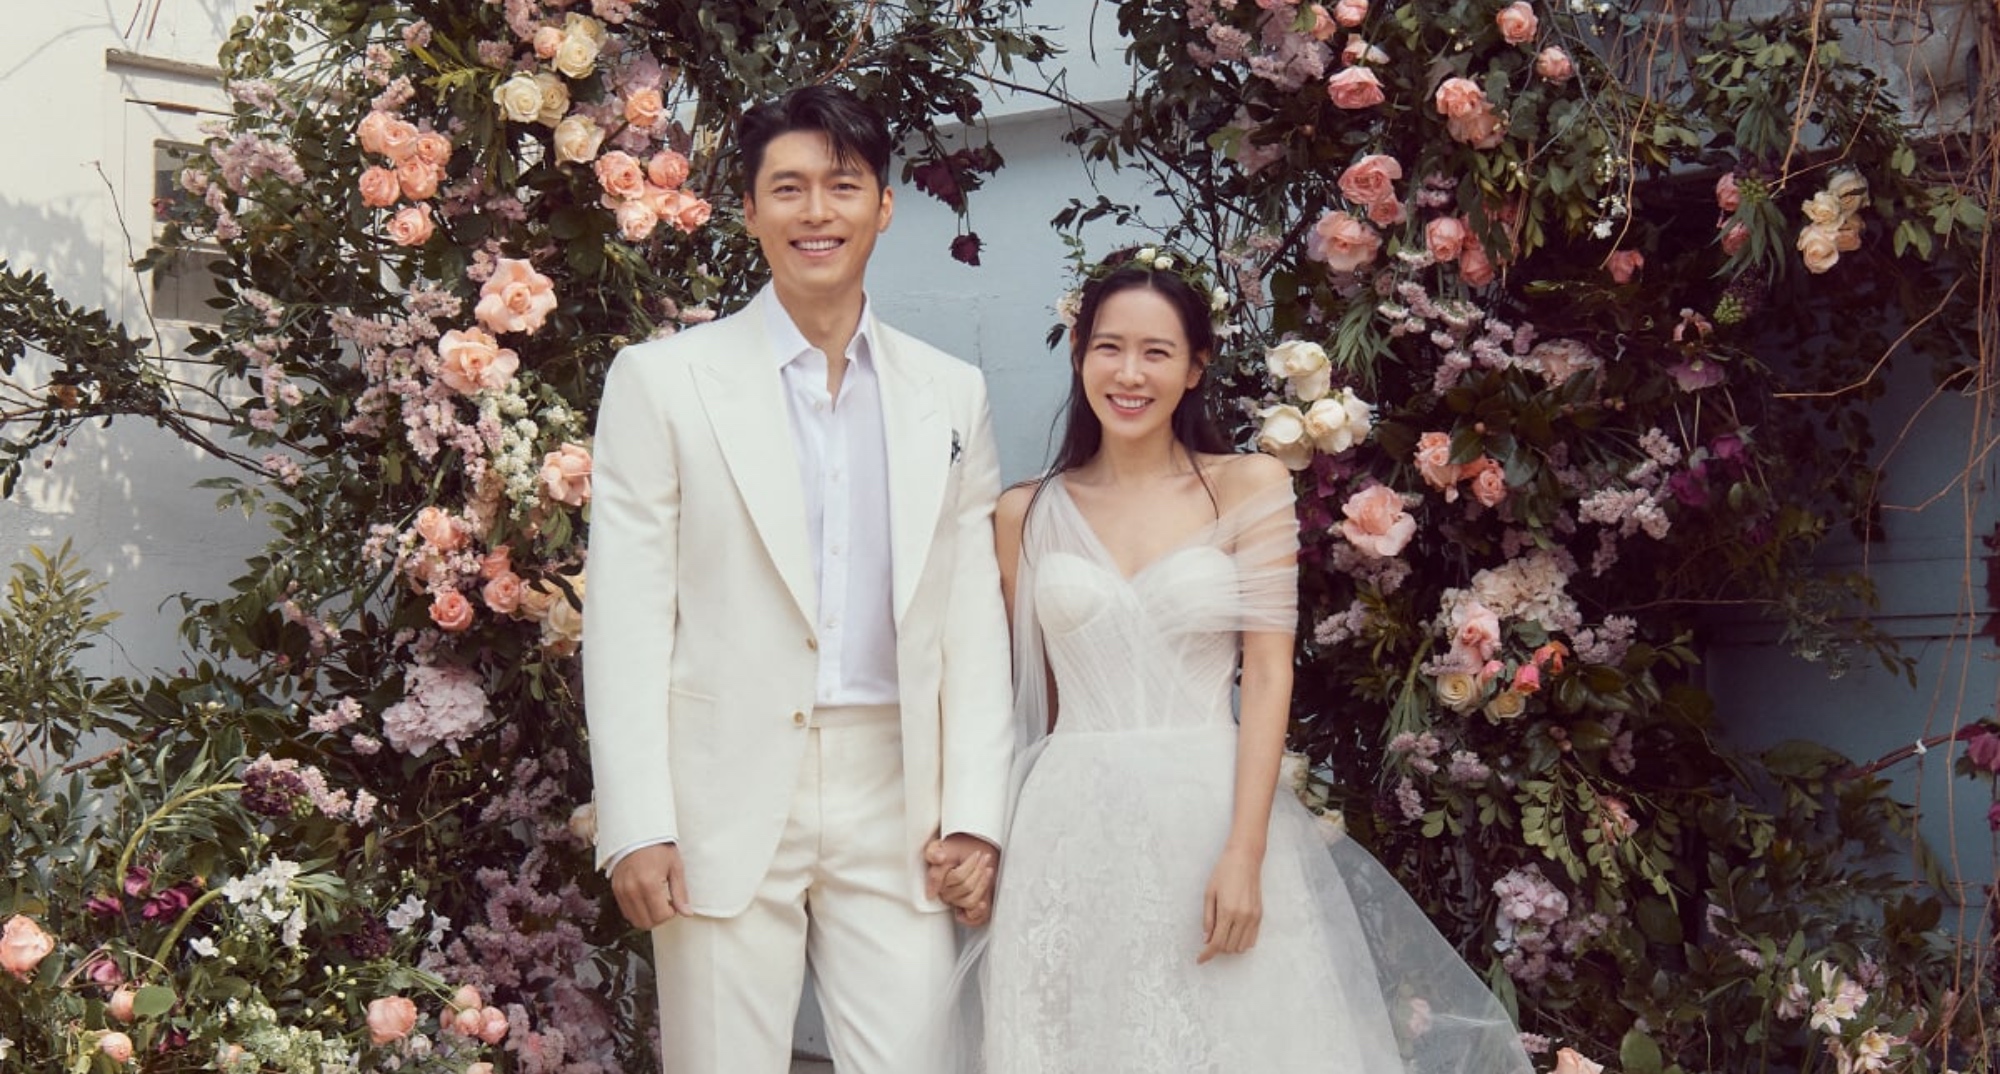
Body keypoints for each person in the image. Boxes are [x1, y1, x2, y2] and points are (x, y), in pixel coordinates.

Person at [923, 249, 1536, 1073]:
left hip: (1211, 814)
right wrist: (985, 837)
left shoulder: (1249, 484)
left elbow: (1271, 672)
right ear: (1078, 353)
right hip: (1067, 830)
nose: (1129, 373)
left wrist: (1245, 854)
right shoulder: (1024, 513)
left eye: (1156, 351)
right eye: (1109, 347)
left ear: (1194, 366)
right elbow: (1012, 697)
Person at [581, 83, 1013, 1074]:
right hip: (718, 792)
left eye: (843, 185)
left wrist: (974, 815)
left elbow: (969, 620)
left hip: (895, 791)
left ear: (883, 206)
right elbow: (628, 618)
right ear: (749, 210)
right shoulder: (663, 382)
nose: (816, 211)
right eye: (787, 188)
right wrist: (636, 823)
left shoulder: (952, 393)